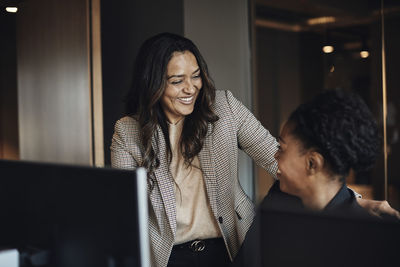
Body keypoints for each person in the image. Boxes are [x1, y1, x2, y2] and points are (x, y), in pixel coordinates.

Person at [111, 33, 399, 267]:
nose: (191, 88)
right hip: (167, 256)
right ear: (153, 84)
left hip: (230, 247)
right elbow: (125, 211)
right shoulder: (128, 131)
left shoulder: (223, 108)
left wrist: (354, 201)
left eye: (196, 76)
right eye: (177, 81)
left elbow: (283, 160)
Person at [233, 89, 399, 267]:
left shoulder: (365, 237)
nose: (275, 156)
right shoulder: (277, 200)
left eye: (281, 148)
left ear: (313, 163)